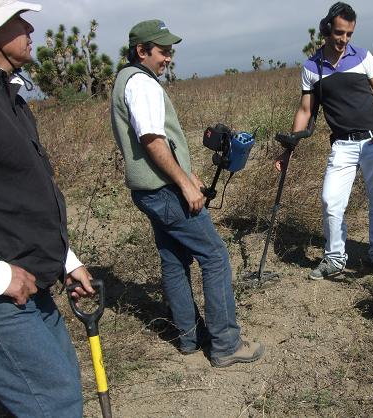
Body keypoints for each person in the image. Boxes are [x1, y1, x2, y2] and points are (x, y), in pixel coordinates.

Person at [110, 19, 264, 368]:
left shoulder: (125, 81)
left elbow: (154, 141)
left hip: (150, 191)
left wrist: (187, 172)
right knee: (214, 255)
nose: (167, 58)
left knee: (174, 260)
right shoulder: (142, 85)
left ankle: (188, 337)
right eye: (162, 52)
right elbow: (152, 140)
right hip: (164, 191)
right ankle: (225, 343)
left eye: (169, 52)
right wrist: (183, 183)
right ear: (142, 51)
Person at [0, 0, 95, 416]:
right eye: (17, 20)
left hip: (30, 279)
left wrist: (66, 258)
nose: (29, 29)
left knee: (62, 389)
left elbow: (24, 191)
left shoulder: (9, 96)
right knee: (54, 405)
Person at [275, 2, 373, 280]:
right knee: (330, 201)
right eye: (339, 32)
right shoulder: (311, 67)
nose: (344, 39)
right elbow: (306, 110)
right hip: (341, 144)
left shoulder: (363, 57)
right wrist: (289, 148)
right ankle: (335, 258)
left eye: (349, 34)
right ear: (327, 29)